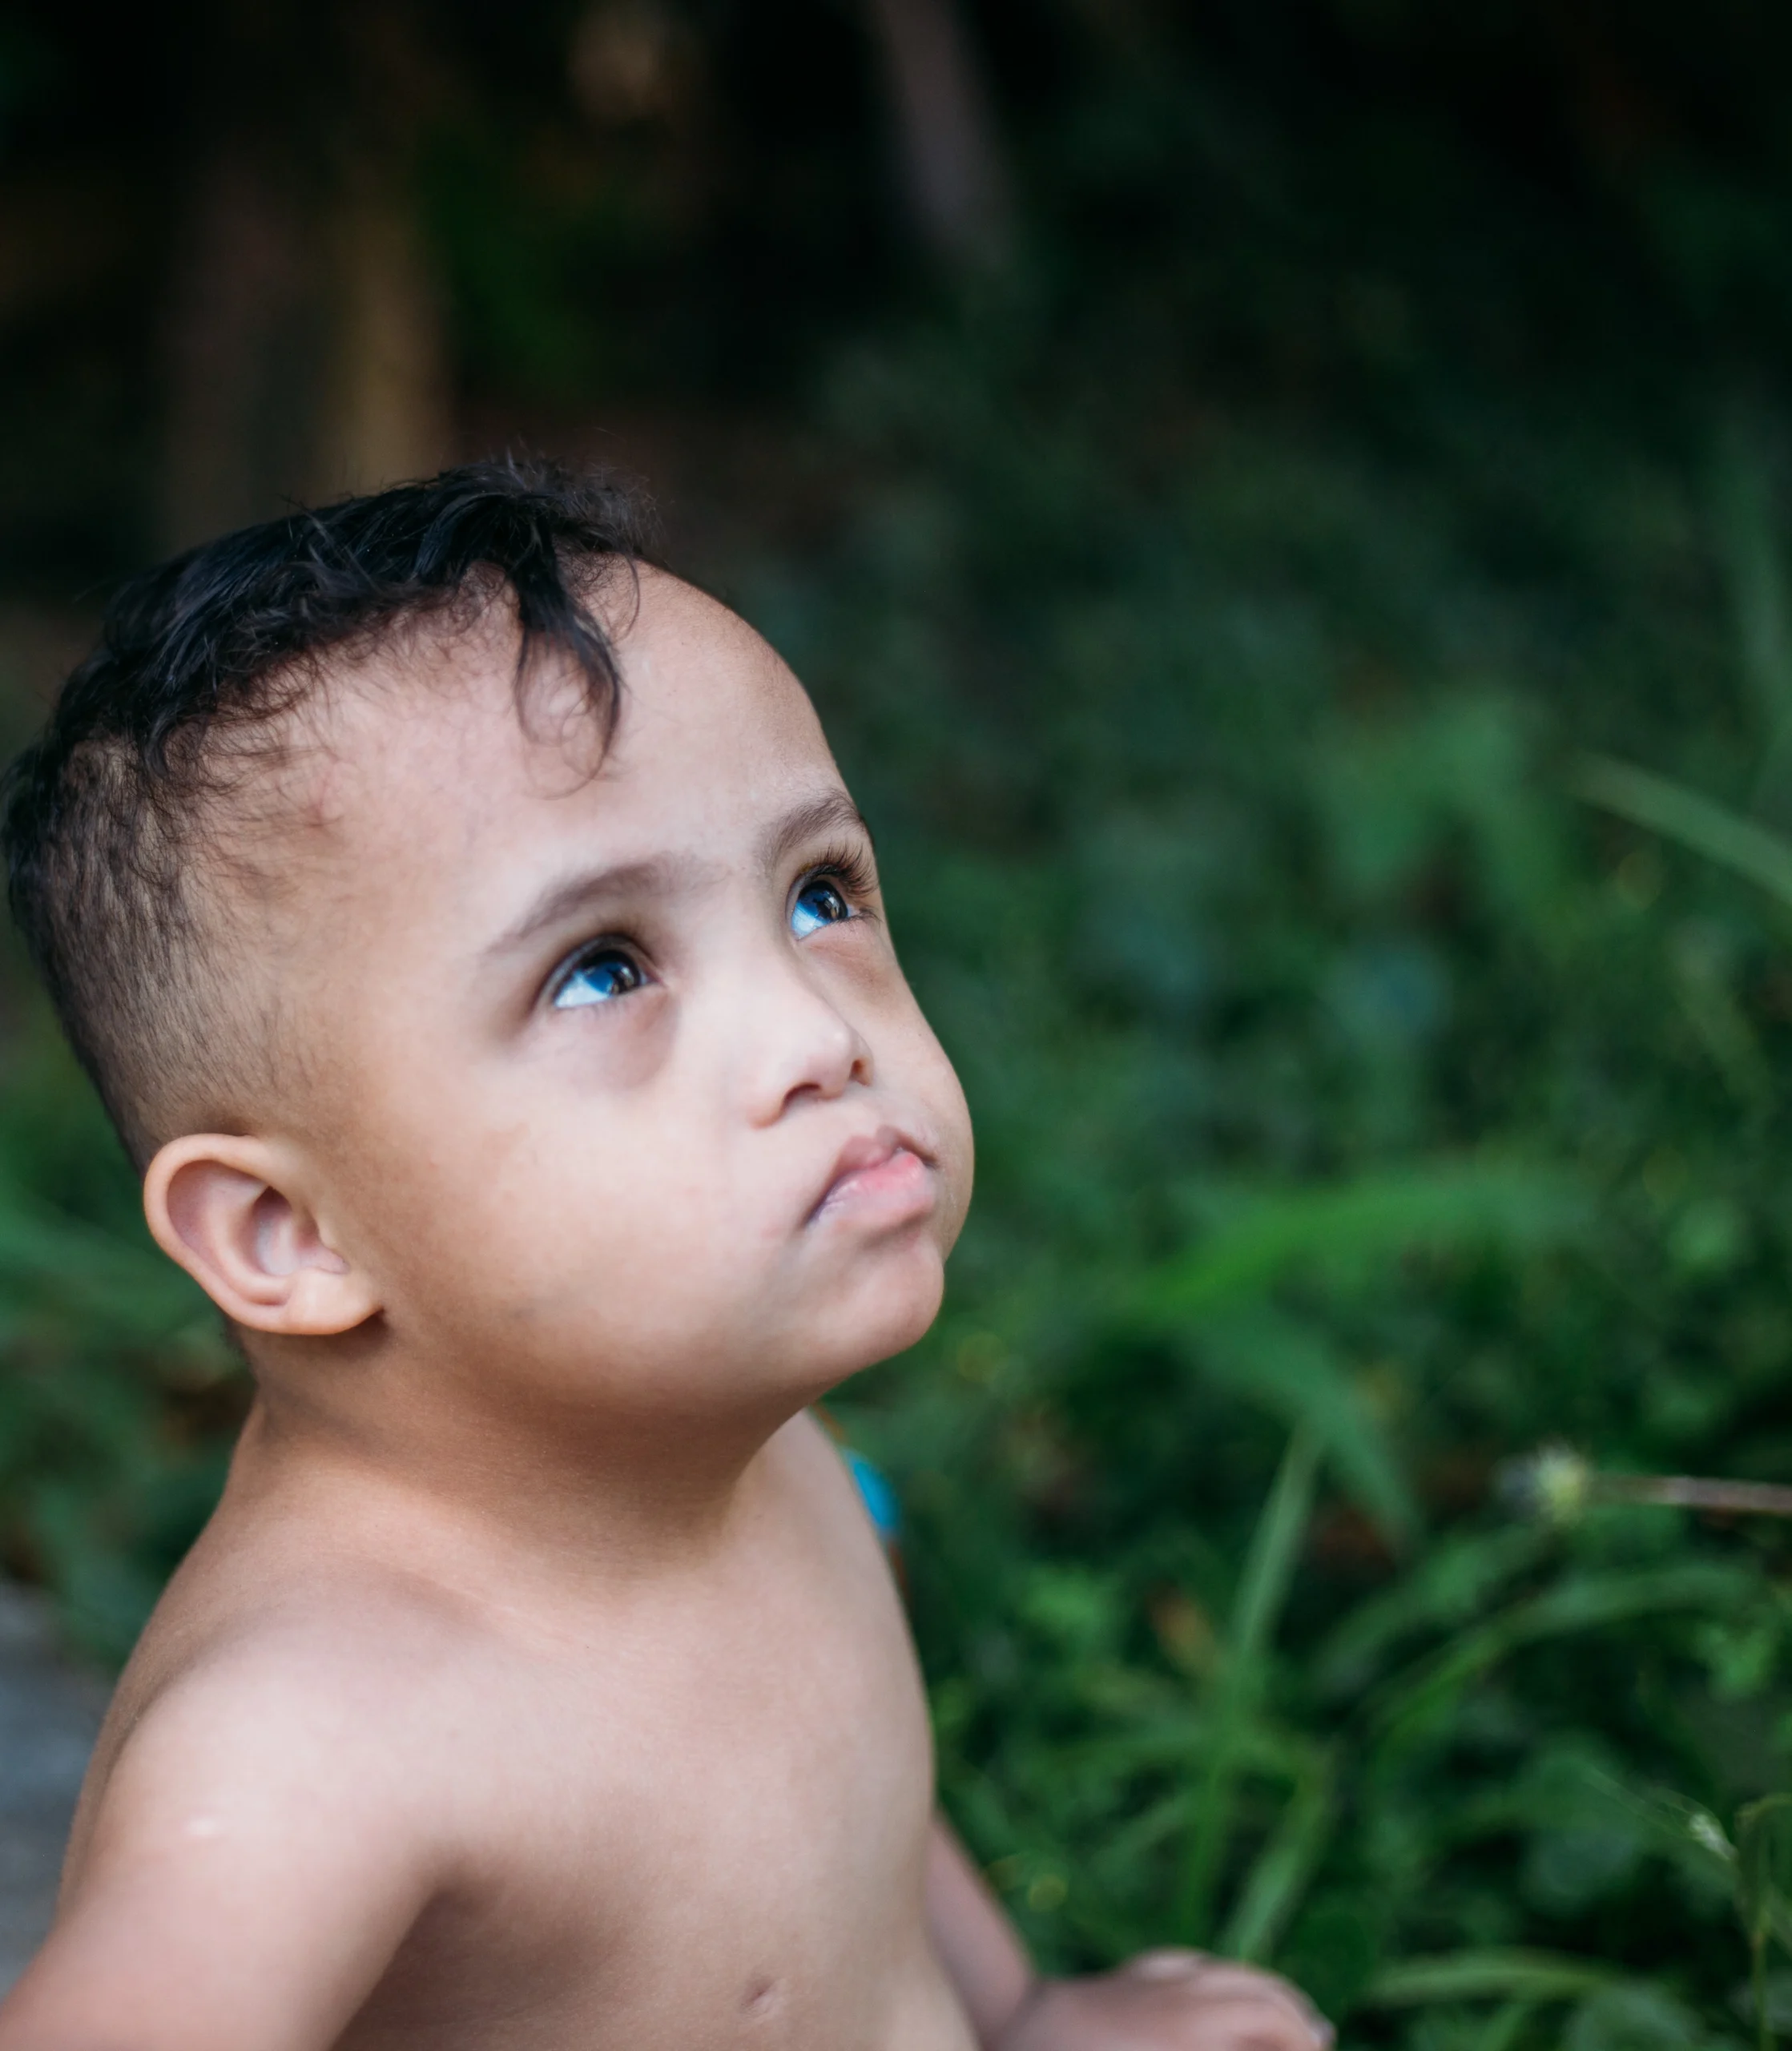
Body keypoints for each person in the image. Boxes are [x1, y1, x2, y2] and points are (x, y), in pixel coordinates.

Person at [0, 462, 1333, 2051]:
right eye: (599, 968)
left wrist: (1022, 2008)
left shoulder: (758, 1454)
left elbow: (845, 1798)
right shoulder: (317, 1740)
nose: (812, 1030)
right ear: (292, 1234)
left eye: (819, 890)